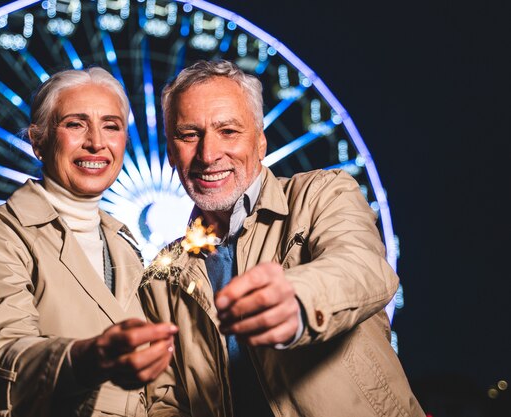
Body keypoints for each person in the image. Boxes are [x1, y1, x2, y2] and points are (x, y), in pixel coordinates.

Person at [139, 60, 425, 416]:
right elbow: (166, 401)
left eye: (228, 131)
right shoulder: (160, 278)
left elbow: (362, 268)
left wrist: (299, 302)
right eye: (188, 135)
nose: (209, 154)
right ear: (170, 152)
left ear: (260, 143)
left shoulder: (323, 194)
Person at [0, 67, 178, 417]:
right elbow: (3, 357)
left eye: (111, 125)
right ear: (38, 140)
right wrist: (88, 358)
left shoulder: (126, 244)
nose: (96, 142)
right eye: (75, 124)